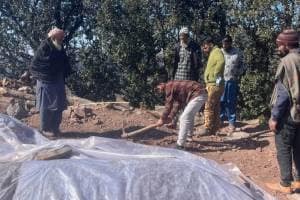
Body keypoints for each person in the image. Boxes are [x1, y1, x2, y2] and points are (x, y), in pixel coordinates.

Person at [266, 29, 300, 194]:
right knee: (299, 148)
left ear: (286, 45)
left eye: (279, 46)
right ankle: (299, 182)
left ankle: (285, 184)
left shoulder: (287, 62)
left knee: (284, 147)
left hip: (289, 114)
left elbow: (283, 94)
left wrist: (274, 117)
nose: (278, 49)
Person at [30, 27, 71, 138]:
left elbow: (64, 62)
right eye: (60, 37)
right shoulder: (44, 48)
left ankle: (55, 128)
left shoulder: (60, 47)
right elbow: (36, 65)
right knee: (46, 106)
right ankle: (45, 129)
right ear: (53, 37)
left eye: (62, 37)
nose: (62, 39)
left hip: (57, 81)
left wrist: (64, 71)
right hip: (45, 81)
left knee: (58, 106)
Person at [155, 80, 207, 149]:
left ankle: (180, 145)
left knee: (184, 118)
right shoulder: (175, 89)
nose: (159, 91)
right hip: (200, 94)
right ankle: (188, 137)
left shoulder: (168, 86)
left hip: (198, 94)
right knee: (189, 116)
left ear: (161, 83)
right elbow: (177, 104)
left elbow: (168, 105)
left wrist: (162, 119)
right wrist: (170, 117)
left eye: (157, 88)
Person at [168, 27, 202, 129]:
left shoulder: (194, 47)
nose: (182, 38)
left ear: (188, 36)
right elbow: (174, 63)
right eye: (181, 36)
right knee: (176, 100)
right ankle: (173, 121)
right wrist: (172, 76)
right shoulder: (177, 47)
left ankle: (184, 124)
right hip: (178, 76)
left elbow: (197, 64)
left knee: (187, 101)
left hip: (189, 77)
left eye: (184, 36)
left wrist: (196, 78)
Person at [198, 37, 225, 136]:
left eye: (205, 45)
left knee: (208, 106)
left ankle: (207, 128)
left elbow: (221, 62)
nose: (204, 47)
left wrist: (216, 73)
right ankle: (215, 128)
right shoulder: (214, 52)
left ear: (210, 44)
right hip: (215, 84)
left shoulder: (217, 51)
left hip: (213, 84)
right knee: (216, 107)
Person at [220, 35, 245, 133]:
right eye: (223, 43)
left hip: (231, 79)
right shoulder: (220, 52)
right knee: (221, 100)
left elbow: (243, 64)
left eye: (226, 43)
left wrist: (237, 73)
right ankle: (220, 120)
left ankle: (231, 122)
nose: (224, 45)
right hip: (220, 80)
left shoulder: (237, 52)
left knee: (230, 101)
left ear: (230, 43)